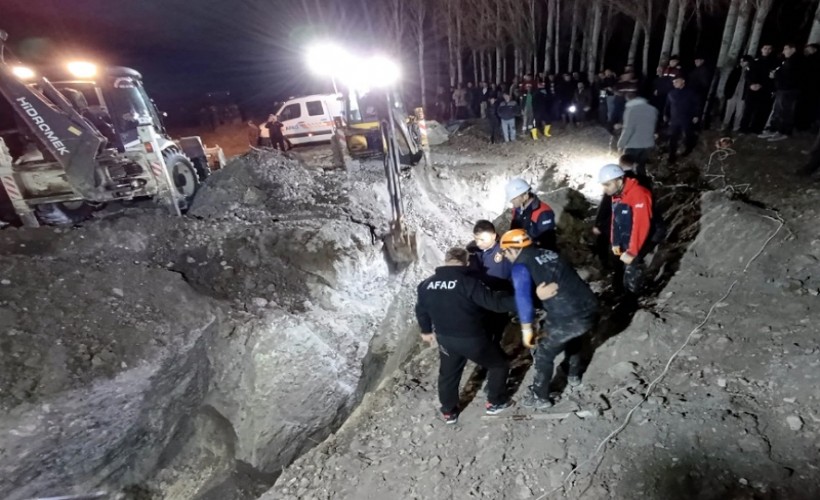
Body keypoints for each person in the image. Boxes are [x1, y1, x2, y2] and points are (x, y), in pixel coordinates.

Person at [415, 247, 518, 424]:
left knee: (448, 375)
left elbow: (421, 310)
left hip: (445, 339)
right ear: (466, 261)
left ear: (446, 260)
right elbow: (495, 304)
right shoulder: (468, 283)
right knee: (499, 365)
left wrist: (425, 331)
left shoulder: (426, 284)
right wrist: (521, 300)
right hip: (472, 339)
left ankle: (448, 412)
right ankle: (495, 401)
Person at [500, 229, 599, 409]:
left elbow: (523, 300)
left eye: (505, 252)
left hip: (568, 315)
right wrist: (540, 296)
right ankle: (573, 376)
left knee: (543, 352)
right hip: (590, 308)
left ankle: (540, 397)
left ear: (512, 249)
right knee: (572, 337)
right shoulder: (549, 253)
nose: (506, 257)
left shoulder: (520, 265)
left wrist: (527, 329)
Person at [598, 164, 654, 301]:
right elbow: (615, 220)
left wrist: (632, 251)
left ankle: (634, 302)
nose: (605, 189)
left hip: (637, 241)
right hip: (624, 240)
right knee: (619, 269)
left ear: (619, 181)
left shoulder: (639, 194)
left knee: (632, 272)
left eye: (607, 185)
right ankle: (620, 294)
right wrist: (615, 242)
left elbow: (641, 224)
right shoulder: (617, 194)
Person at [468, 220, 513, 345]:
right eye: (476, 239)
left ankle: (496, 346)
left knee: (496, 327)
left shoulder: (502, 252)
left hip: (500, 296)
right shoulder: (478, 252)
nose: (479, 243)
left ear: (493, 236)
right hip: (485, 297)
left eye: (482, 239)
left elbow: (503, 276)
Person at [759, 44, 801, 142]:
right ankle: (774, 129)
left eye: (786, 49)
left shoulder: (795, 62)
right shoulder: (786, 61)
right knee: (777, 110)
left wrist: (776, 75)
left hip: (788, 91)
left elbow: (790, 76)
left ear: (793, 49)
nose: (783, 51)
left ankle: (783, 132)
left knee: (785, 111)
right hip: (782, 89)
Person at [506, 178, 556, 251]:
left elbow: (546, 242)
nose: (511, 201)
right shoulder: (517, 210)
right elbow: (514, 230)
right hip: (521, 250)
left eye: (514, 198)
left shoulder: (543, 212)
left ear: (525, 196)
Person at [617, 89, 658, 176]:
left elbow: (628, 129)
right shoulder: (652, 109)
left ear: (628, 99)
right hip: (647, 144)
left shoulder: (631, 110)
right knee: (641, 166)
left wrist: (621, 144)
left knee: (628, 168)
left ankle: (630, 187)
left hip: (633, 145)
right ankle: (643, 185)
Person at [664, 75, 701, 163]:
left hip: (686, 118)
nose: (674, 83)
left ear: (683, 81)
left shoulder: (690, 92)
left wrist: (696, 115)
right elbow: (667, 105)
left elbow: (697, 105)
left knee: (687, 135)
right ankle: (671, 155)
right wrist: (665, 114)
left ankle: (688, 149)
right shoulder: (671, 93)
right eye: (673, 82)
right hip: (674, 119)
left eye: (676, 81)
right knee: (673, 138)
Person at [742, 44, 778, 133]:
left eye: (769, 49)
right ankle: (743, 128)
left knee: (761, 111)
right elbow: (747, 75)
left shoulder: (774, 62)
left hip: (764, 90)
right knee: (748, 110)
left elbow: (772, 78)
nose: (767, 50)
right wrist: (751, 84)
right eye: (765, 48)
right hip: (752, 89)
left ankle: (756, 129)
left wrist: (763, 85)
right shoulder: (754, 61)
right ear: (761, 49)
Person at [723, 56, 753, 133]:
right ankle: (725, 125)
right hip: (733, 94)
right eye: (741, 61)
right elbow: (729, 82)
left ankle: (736, 127)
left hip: (742, 95)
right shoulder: (736, 70)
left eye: (744, 61)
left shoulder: (751, 71)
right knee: (728, 111)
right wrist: (727, 93)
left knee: (739, 112)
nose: (742, 63)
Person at [797, 43, 820, 131]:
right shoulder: (810, 59)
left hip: (810, 87)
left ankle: (803, 125)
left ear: (814, 49)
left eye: (809, 49)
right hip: (810, 87)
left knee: (806, 107)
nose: (806, 51)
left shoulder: (812, 59)